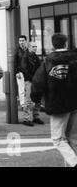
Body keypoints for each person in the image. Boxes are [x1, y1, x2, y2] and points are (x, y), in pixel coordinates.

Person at [31, 33, 77, 167]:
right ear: (66, 44)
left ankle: (74, 163)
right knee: (71, 139)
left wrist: (36, 99)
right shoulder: (74, 59)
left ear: (53, 45)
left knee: (57, 139)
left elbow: (38, 82)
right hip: (74, 103)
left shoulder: (48, 61)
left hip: (57, 104)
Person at [14, 35, 43, 126]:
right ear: (29, 47)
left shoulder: (35, 56)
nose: (35, 48)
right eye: (33, 47)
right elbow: (24, 69)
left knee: (37, 99)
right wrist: (32, 78)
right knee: (28, 99)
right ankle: (26, 119)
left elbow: (40, 68)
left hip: (35, 81)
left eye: (36, 46)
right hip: (30, 80)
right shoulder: (25, 56)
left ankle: (36, 116)